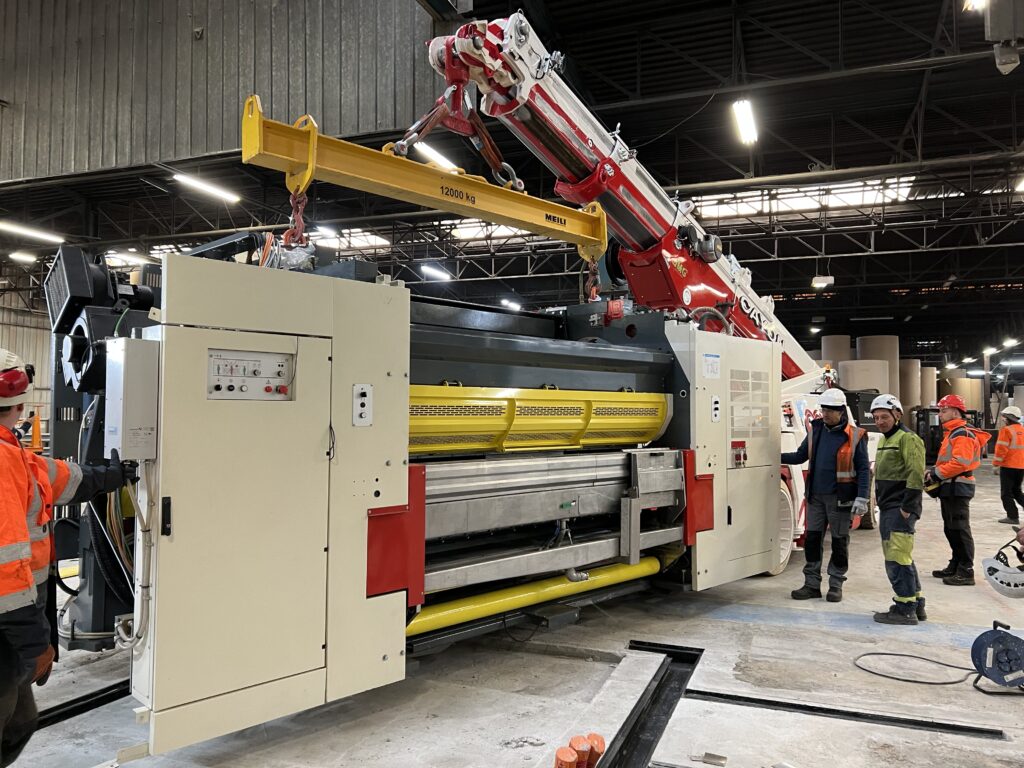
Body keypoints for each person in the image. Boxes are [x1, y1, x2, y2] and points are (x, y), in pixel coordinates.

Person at [0, 348, 135, 766]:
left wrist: (113, 475)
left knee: (20, 720)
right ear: (19, 405)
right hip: (8, 625)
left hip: (14, 623)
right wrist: (34, 642)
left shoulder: (14, 453)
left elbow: (59, 478)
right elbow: (5, 570)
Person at [782, 388, 869, 603]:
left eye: (830, 410)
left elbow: (863, 469)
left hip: (841, 498)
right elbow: (800, 456)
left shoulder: (855, 435)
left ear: (841, 411)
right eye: (824, 409)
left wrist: (862, 497)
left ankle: (836, 585)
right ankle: (811, 585)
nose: (826, 414)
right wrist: (774, 456)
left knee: (839, 542)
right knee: (812, 541)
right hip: (816, 497)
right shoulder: (817, 430)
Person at [867, 395, 927, 625]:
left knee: (896, 558)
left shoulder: (908, 439)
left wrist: (907, 507)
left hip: (899, 507)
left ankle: (905, 609)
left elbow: (915, 473)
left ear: (897, 415)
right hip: (888, 506)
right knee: (902, 556)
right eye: (876, 418)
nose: (879, 422)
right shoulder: (885, 439)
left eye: (884, 416)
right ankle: (915, 603)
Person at [926, 394, 990, 587]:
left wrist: (936, 473)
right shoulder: (953, 433)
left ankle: (966, 570)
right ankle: (956, 564)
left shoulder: (962, 434)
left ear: (955, 412)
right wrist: (934, 472)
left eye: (943, 411)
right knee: (951, 528)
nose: (940, 414)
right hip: (951, 486)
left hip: (958, 486)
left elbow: (960, 463)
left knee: (960, 529)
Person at [993, 405, 1024, 525]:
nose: (1003, 419)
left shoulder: (1006, 430)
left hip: (1008, 466)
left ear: (1008, 418)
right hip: (1021, 466)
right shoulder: (1022, 430)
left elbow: (1001, 449)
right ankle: (1013, 515)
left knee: (1006, 493)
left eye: (1004, 417)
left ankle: (1012, 516)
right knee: (1017, 491)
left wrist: (996, 464)